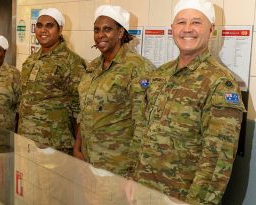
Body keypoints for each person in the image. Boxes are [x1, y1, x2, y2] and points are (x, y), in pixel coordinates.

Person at [131, 0, 246, 204]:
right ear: (172, 29)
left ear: (211, 30)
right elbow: (142, 130)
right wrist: (132, 178)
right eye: (181, 22)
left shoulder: (220, 83)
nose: (187, 29)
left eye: (196, 22)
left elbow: (217, 159)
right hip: (144, 191)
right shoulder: (160, 75)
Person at [73, 5, 155, 176]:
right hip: (88, 159)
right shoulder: (93, 66)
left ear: (120, 33)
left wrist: (134, 170)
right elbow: (85, 111)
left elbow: (143, 123)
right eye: (96, 30)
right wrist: (77, 147)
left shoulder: (138, 68)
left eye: (107, 29)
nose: (100, 35)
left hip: (117, 165)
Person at [18, 8, 86, 155]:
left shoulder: (71, 62)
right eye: (40, 25)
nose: (43, 30)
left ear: (60, 29)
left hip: (55, 145)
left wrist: (78, 147)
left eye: (49, 26)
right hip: (27, 141)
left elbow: (80, 108)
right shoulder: (31, 60)